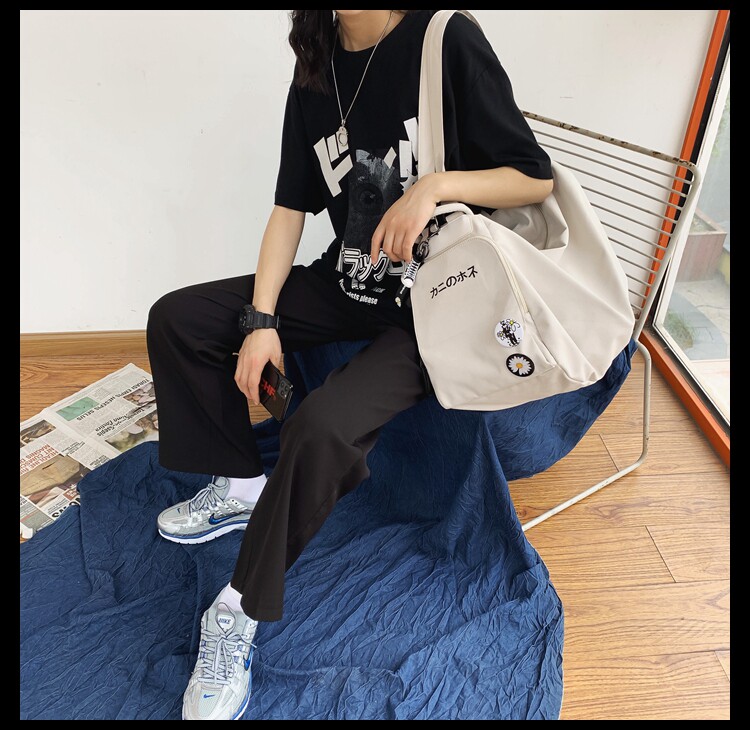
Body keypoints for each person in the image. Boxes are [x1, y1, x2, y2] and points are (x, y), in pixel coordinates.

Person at [146, 9, 553, 720]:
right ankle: (241, 486)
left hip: (434, 306)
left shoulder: (444, 37)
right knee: (179, 319)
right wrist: (263, 322)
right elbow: (289, 208)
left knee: (321, 427)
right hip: (348, 282)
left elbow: (532, 178)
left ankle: (237, 610)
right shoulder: (316, 66)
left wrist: (432, 188)